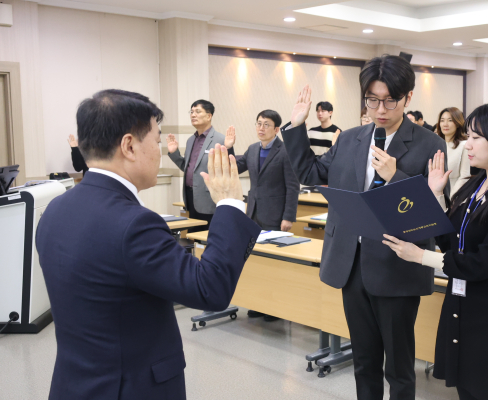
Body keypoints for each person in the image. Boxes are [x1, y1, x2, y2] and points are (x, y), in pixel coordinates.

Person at [36, 89, 260, 400]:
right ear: (129, 146)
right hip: (131, 387)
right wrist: (230, 204)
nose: (159, 151)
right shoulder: (134, 224)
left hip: (74, 384)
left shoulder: (55, 210)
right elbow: (209, 289)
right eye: (156, 141)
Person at [282, 54, 449, 400]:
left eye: (390, 100)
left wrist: (395, 176)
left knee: (399, 368)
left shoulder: (429, 143)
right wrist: (296, 127)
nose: (380, 110)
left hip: (397, 267)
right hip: (352, 264)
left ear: (408, 97)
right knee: (364, 360)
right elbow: (312, 174)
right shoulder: (350, 139)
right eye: (372, 100)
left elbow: (431, 215)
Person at [382, 101, 488, 400]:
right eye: (468, 136)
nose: (468, 144)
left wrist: (420, 256)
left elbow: (481, 263)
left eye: (476, 137)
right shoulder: (474, 185)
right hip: (462, 304)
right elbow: (452, 243)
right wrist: (436, 194)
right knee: (467, 388)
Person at [227, 110, 300, 321]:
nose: (261, 128)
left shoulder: (285, 151)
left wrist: (288, 216)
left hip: (276, 215)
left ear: (276, 129)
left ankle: (275, 308)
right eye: (258, 123)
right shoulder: (252, 149)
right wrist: (229, 147)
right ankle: (259, 304)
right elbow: (235, 167)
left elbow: (293, 187)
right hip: (253, 213)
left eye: (266, 124)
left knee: (274, 263)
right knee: (256, 260)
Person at [166, 100, 235, 232]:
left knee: (208, 237)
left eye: (198, 112)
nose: (193, 115)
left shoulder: (220, 140)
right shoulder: (191, 140)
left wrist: (229, 147)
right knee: (193, 236)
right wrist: (174, 153)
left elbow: (229, 169)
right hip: (190, 197)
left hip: (210, 199)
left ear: (209, 116)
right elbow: (189, 168)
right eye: (191, 112)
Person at [435, 107, 470, 196]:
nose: (445, 124)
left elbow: (464, 177)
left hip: (454, 194)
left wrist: (452, 198)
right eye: (442, 120)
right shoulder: (435, 144)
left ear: (458, 123)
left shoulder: (464, 145)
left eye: (450, 120)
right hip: (434, 194)